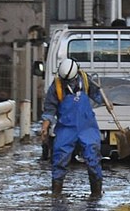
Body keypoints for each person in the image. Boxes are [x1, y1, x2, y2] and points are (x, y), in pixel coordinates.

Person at [40, 58, 104, 199]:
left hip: (87, 127)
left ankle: (96, 194)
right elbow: (50, 109)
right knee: (60, 158)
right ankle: (56, 193)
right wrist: (45, 126)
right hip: (66, 128)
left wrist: (106, 100)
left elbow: (99, 96)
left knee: (93, 157)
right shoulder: (56, 87)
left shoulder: (87, 80)